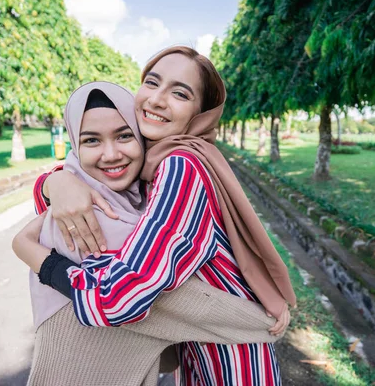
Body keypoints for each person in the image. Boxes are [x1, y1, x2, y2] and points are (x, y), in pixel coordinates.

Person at [17, 46, 297, 385]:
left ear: (200, 113)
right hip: (199, 353)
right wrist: (54, 182)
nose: (157, 100)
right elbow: (86, 199)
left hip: (233, 364)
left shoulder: (181, 168)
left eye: (180, 93)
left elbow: (119, 298)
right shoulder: (150, 166)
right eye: (152, 82)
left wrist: (40, 260)